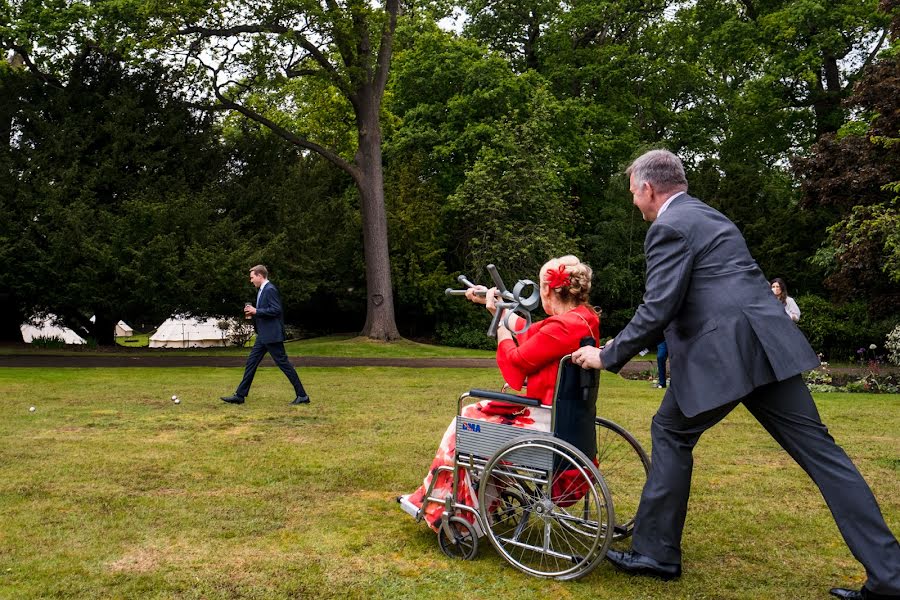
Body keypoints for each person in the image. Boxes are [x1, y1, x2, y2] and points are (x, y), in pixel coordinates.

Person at [571, 150, 900, 599]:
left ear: (649, 188)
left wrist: (606, 356)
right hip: (768, 347)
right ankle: (890, 578)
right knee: (825, 457)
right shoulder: (710, 216)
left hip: (725, 354)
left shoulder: (667, 227)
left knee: (670, 430)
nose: (635, 203)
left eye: (634, 194)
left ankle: (656, 554)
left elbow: (659, 305)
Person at [398, 255, 600, 531]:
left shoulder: (562, 326)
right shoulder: (583, 319)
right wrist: (493, 307)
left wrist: (502, 328)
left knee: (466, 422)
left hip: (544, 422)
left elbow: (517, 359)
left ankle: (449, 510)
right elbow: (533, 333)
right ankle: (475, 504)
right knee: (476, 418)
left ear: (547, 289)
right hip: (565, 418)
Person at [221, 265, 310, 406]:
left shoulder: (270, 289)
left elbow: (276, 310)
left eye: (252, 277)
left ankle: (302, 395)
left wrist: (256, 311)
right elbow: (266, 310)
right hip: (263, 336)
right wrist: (254, 313)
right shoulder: (263, 290)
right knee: (251, 362)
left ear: (260, 276)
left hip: (272, 336)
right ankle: (240, 395)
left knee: (284, 365)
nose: (251, 281)